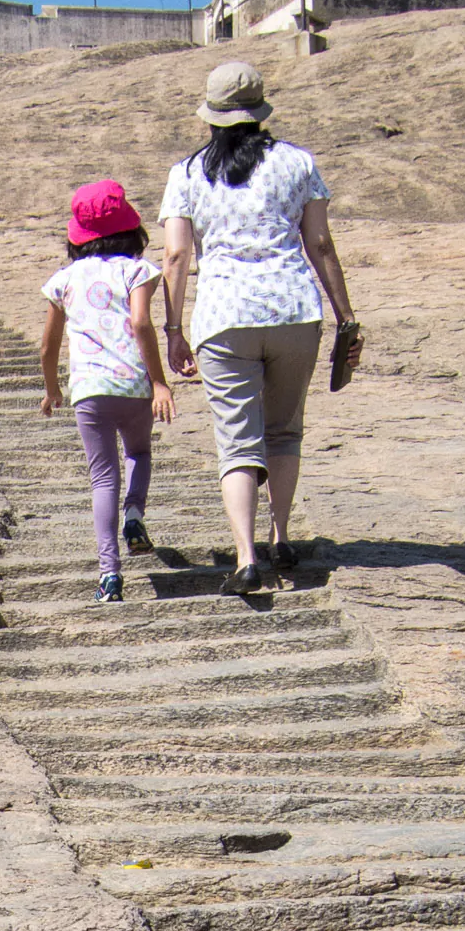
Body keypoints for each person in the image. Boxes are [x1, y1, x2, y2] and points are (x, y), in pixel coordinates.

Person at [159, 60, 362, 595]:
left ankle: (247, 558)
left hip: (224, 317)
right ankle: (281, 536)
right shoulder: (298, 163)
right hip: (295, 310)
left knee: (236, 441)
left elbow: (176, 255)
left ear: (211, 115)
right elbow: (320, 244)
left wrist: (173, 326)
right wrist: (345, 314)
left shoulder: (187, 172)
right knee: (284, 430)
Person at [40, 180, 176, 605]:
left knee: (102, 478)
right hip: (134, 383)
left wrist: (51, 389)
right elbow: (140, 323)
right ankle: (134, 515)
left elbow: (48, 345)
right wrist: (158, 381)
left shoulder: (63, 279)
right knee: (139, 453)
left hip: (89, 390)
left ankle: (109, 576)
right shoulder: (136, 270)